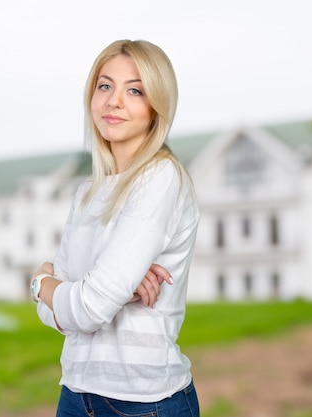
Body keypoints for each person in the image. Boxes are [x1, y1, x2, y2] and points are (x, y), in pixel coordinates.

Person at [30, 39, 200, 417]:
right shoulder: (86, 193)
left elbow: (87, 309)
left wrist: (42, 283)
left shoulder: (161, 178)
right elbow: (60, 316)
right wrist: (110, 288)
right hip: (75, 393)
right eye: (105, 86)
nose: (114, 101)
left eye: (135, 90)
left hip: (143, 402)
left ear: (157, 106)